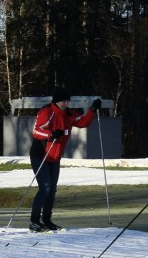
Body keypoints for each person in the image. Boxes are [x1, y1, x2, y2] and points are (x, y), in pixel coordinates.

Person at [28, 87, 99, 232]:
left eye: (67, 101)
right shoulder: (47, 112)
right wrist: (51, 133)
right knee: (45, 187)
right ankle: (34, 221)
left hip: (55, 158)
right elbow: (36, 130)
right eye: (63, 101)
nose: (65, 104)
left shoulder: (68, 115)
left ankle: (46, 220)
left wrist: (92, 109)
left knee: (52, 190)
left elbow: (83, 122)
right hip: (40, 155)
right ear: (56, 101)